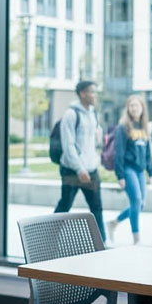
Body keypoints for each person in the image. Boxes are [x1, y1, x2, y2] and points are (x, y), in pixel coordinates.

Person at [55, 80, 105, 238]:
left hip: (91, 169)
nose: (94, 95)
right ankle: (49, 237)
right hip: (72, 169)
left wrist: (99, 137)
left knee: (96, 207)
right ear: (82, 93)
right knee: (65, 205)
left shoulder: (93, 113)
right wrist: (79, 169)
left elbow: (93, 142)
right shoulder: (71, 114)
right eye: (92, 91)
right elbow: (68, 145)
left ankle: (101, 242)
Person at [110, 96, 152, 245]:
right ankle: (136, 238)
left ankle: (114, 223)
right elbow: (119, 152)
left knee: (140, 204)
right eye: (131, 106)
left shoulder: (144, 127)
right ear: (128, 108)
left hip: (140, 170)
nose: (134, 108)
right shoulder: (123, 127)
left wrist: (150, 171)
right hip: (128, 169)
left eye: (137, 106)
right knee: (136, 200)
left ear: (142, 108)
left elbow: (148, 151)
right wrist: (120, 175)